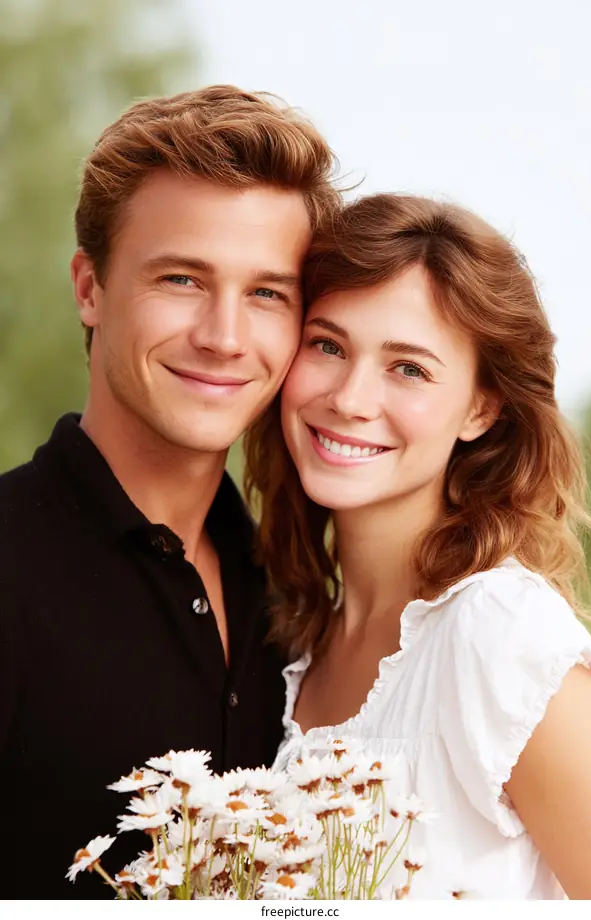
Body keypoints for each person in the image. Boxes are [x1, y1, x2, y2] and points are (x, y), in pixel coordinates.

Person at [0, 84, 340, 899]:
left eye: (266, 293)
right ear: (90, 287)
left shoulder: (298, 594)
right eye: (183, 279)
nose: (224, 337)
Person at [245, 193, 591, 899]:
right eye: (328, 345)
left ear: (481, 408)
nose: (349, 397)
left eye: (407, 368)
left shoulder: (500, 635)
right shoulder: (292, 641)